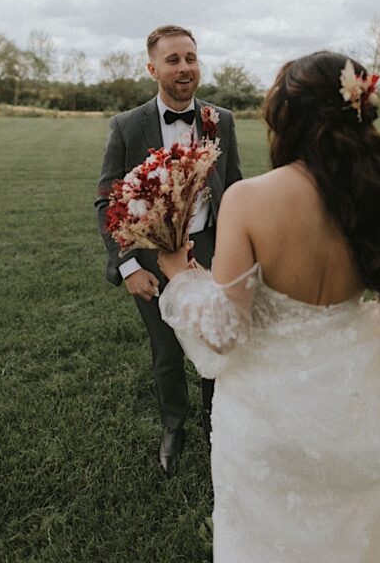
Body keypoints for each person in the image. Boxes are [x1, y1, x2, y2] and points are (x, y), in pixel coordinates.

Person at [157, 51, 380, 561]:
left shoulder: (248, 199)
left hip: (265, 422)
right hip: (361, 413)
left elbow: (225, 333)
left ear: (285, 118)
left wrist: (181, 278)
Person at [95, 25, 242, 476]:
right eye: (174, 60)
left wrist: (238, 251)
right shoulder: (126, 126)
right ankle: (174, 426)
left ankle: (220, 423)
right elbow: (108, 200)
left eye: (191, 58)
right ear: (152, 68)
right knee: (166, 351)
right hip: (152, 259)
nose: (185, 68)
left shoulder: (222, 120)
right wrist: (125, 266)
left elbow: (233, 188)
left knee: (217, 340)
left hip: (213, 250)